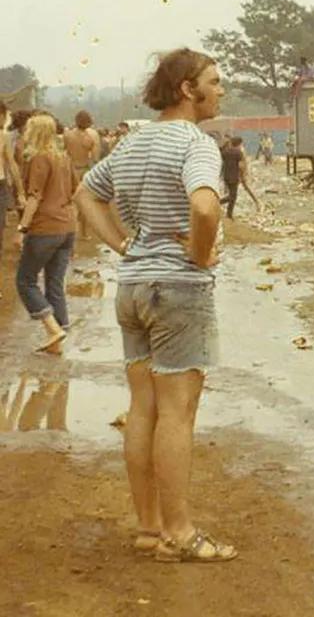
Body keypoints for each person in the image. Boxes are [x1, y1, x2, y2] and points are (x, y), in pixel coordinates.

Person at [74, 47, 237, 563]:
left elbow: (86, 193)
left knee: (142, 407)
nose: (222, 89)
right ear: (188, 89)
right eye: (214, 81)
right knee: (177, 413)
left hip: (134, 285)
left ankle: (148, 527)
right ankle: (181, 532)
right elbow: (204, 204)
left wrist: (123, 246)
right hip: (178, 289)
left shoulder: (133, 144)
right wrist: (200, 251)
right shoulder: (197, 144)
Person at [13, 114, 77, 354]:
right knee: (54, 283)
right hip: (66, 226)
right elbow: (75, 190)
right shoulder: (63, 157)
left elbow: (35, 196)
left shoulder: (39, 158)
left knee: (25, 281)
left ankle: (52, 328)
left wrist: (22, 228)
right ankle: (57, 339)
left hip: (45, 227)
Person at [1, 102, 27, 291]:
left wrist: (18, 190)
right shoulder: (5, 137)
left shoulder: (3, 137)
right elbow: (13, 163)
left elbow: (11, 164)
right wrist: (20, 190)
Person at [63, 111, 100, 239]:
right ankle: (84, 233)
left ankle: (69, 234)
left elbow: (64, 153)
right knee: (84, 203)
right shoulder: (92, 136)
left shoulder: (67, 135)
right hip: (84, 170)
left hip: (69, 170)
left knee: (69, 203)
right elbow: (95, 157)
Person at [220, 137, 246, 219]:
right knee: (233, 196)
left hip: (226, 176)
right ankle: (221, 206)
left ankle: (229, 214)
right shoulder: (239, 153)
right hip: (234, 177)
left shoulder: (225, 152)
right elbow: (241, 166)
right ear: (239, 144)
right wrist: (242, 176)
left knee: (232, 195)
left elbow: (222, 163)